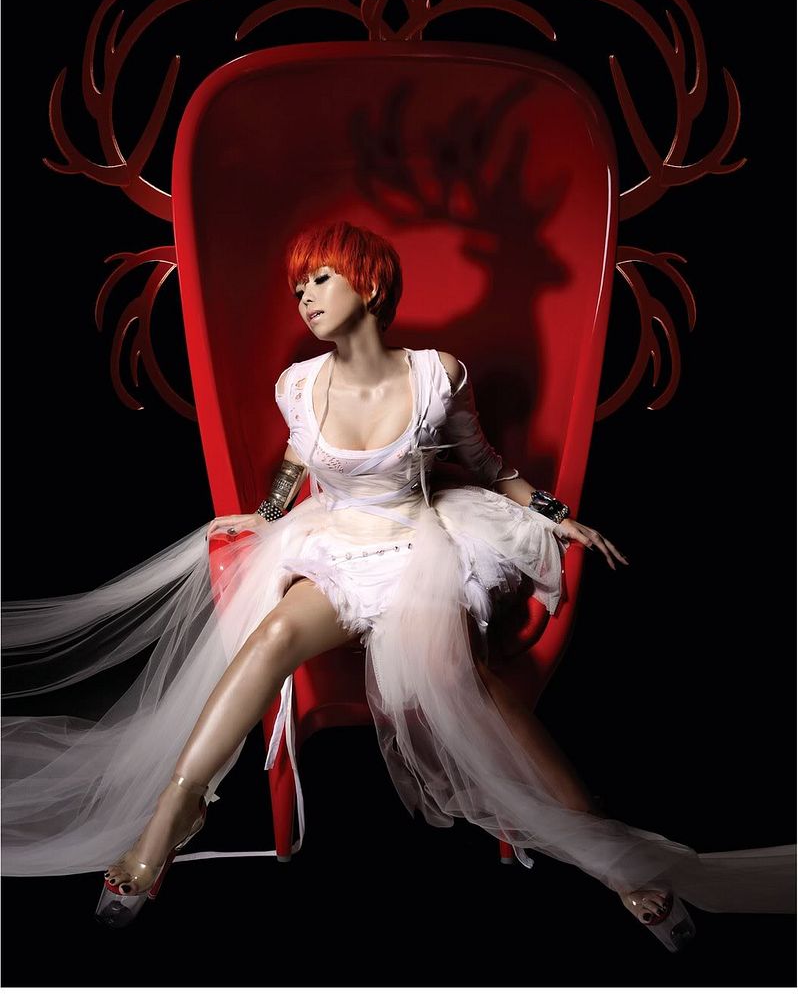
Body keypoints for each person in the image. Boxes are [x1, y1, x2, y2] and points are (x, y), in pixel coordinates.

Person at [1, 221, 794, 947]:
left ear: (370, 284)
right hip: (335, 545)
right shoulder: (297, 384)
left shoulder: (436, 375)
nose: (305, 296)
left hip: (421, 547)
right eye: (298, 286)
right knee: (271, 635)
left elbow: (488, 467)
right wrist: (264, 515)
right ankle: (171, 816)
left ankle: (614, 859)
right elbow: (296, 464)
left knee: (464, 683)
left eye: (320, 279)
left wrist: (556, 513)